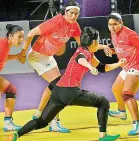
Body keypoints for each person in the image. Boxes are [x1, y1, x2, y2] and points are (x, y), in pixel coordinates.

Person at [3, 27, 124, 141]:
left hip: (58, 92)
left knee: (42, 122)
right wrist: (89, 66)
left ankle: (16, 136)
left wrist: (118, 63)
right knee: (103, 102)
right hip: (70, 91)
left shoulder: (85, 50)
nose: (99, 44)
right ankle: (103, 136)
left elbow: (102, 68)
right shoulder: (84, 54)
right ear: (92, 42)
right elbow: (80, 59)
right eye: (98, 41)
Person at [24, 1, 109, 133]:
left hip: (48, 57)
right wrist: (23, 52)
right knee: (58, 85)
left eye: (76, 13)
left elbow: (84, 46)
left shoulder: (74, 26)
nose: (74, 16)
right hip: (37, 56)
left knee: (55, 85)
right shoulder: (55, 22)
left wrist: (103, 47)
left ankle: (39, 113)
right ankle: (53, 121)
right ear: (65, 12)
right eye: (71, 13)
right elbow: (30, 34)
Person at [104, 13, 139, 136]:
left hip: (137, 67)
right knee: (116, 89)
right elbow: (121, 49)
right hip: (127, 67)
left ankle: (137, 125)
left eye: (115, 24)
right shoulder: (113, 34)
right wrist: (111, 51)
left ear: (121, 23)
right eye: (110, 24)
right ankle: (122, 112)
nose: (112, 27)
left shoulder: (129, 34)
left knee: (127, 94)